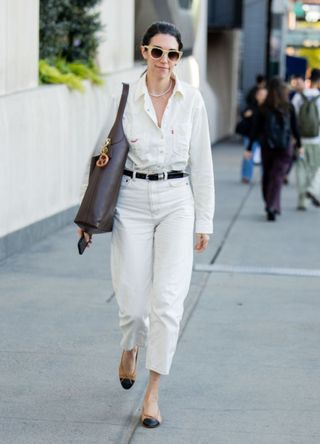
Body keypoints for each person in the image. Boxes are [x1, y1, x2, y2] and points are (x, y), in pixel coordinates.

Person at [78, 21, 215, 428]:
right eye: (158, 52)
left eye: (172, 55)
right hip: (132, 201)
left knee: (168, 303)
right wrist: (86, 217)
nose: (165, 61)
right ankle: (130, 345)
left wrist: (203, 219)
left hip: (177, 200)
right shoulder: (124, 97)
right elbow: (98, 156)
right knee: (134, 305)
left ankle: (152, 394)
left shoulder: (191, 101)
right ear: (145, 52)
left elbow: (202, 164)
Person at [245, 77, 302, 221]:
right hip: (284, 148)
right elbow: (295, 128)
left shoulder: (263, 107)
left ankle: (269, 203)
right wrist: (299, 145)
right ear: (283, 90)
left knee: (268, 175)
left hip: (267, 146)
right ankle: (272, 205)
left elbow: (255, 129)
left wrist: (249, 147)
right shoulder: (289, 107)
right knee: (277, 177)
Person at [292, 68, 320, 209]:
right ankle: (312, 189)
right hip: (316, 140)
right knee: (315, 168)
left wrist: (293, 137)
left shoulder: (298, 97)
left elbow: (293, 118)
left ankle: (302, 201)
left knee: (301, 168)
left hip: (301, 140)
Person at [238, 86, 268, 183]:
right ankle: (246, 176)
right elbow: (243, 114)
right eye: (260, 95)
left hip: (264, 137)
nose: (262, 97)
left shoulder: (269, 109)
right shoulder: (251, 106)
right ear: (256, 96)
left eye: (264, 95)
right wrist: (246, 114)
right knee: (248, 155)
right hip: (250, 135)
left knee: (265, 158)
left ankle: (265, 177)